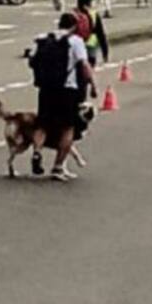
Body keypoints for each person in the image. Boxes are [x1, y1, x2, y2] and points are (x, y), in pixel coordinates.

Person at [29, 12, 97, 181]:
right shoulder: (75, 41)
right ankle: (58, 167)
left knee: (42, 124)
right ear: (75, 26)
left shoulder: (44, 38)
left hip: (46, 88)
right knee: (68, 128)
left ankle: (37, 152)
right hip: (67, 89)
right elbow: (84, 64)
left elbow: (32, 60)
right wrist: (93, 84)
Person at [73, 0, 110, 68]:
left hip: (74, 50)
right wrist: (105, 52)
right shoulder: (93, 14)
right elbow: (101, 34)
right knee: (87, 72)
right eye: (92, 0)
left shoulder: (73, 14)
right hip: (90, 49)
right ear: (88, 1)